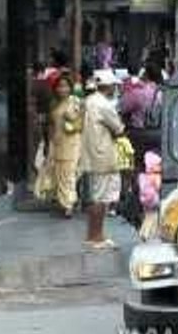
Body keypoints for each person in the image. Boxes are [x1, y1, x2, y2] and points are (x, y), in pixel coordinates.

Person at [79, 69, 126, 249]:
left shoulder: (89, 101)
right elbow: (119, 128)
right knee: (102, 198)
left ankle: (94, 235)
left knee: (96, 196)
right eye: (114, 85)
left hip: (91, 154)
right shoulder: (104, 105)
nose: (115, 88)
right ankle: (96, 237)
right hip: (103, 155)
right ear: (108, 86)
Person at [47, 73, 83, 218]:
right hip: (57, 142)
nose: (63, 89)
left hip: (72, 141)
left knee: (69, 173)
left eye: (66, 86)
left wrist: (73, 118)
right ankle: (67, 201)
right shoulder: (54, 104)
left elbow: (80, 122)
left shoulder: (74, 102)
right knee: (60, 173)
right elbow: (51, 125)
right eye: (60, 86)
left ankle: (69, 204)